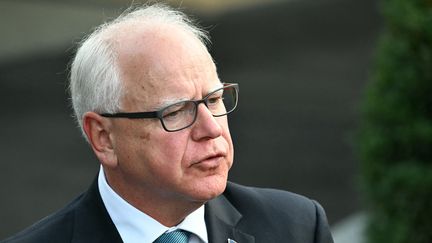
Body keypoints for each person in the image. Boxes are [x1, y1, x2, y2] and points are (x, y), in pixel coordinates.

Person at [2, 4, 333, 243]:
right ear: (104, 138)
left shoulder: (297, 226)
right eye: (176, 111)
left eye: (214, 100)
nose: (212, 129)